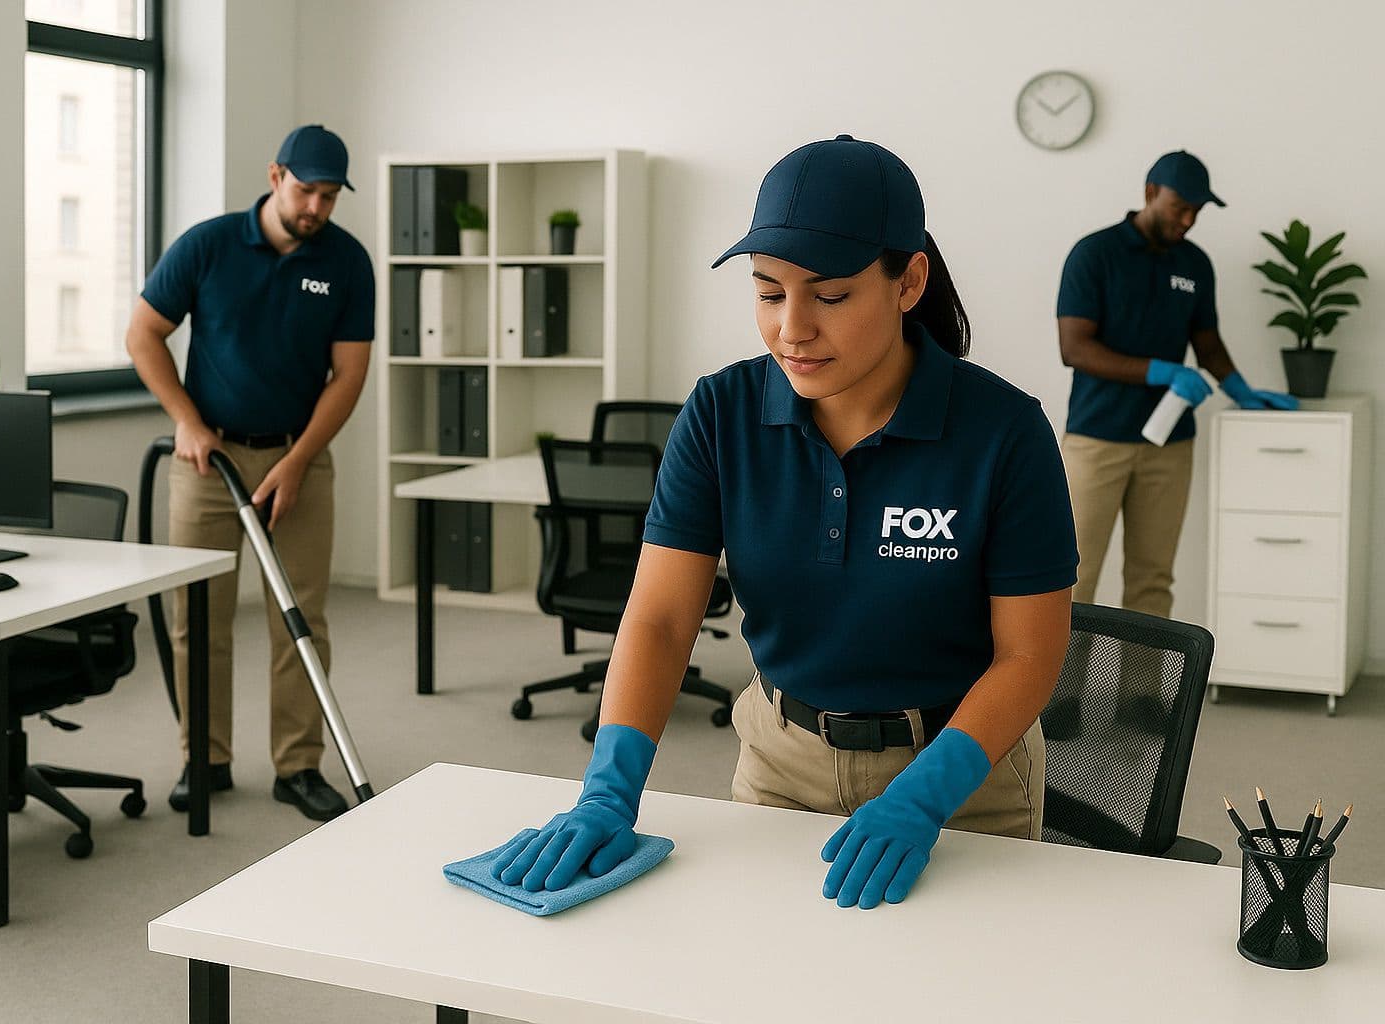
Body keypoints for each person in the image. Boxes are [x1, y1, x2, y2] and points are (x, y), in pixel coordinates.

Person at [487, 135, 1079, 910]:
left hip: (964, 778)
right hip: (780, 765)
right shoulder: (720, 413)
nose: (792, 328)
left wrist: (923, 797)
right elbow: (664, 618)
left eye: (829, 296)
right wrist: (608, 793)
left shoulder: (1004, 431)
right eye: (769, 293)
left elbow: (1030, 654)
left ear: (908, 282)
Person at [125, 125, 374, 822]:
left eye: (329, 196)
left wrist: (297, 462)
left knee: (300, 619)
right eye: (306, 190)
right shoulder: (207, 246)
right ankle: (202, 759)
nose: (316, 208)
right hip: (208, 462)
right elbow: (143, 334)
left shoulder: (347, 262)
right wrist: (187, 419)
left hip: (300, 457)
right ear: (275, 175)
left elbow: (349, 374)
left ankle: (298, 765)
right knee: (195, 618)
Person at [1056, 150, 1297, 621]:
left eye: (1197, 212)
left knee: (1153, 579)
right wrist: (1160, 371)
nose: (1188, 220)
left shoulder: (1195, 265)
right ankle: (1058, 696)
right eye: (1179, 207)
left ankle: (1142, 695)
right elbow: (1075, 348)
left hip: (1169, 446)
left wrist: (1242, 390)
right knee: (1071, 580)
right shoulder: (1094, 254)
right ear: (1151, 193)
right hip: (1097, 440)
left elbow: (1206, 341)